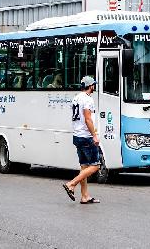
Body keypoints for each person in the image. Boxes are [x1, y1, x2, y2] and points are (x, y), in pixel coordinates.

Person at [63, 76, 101, 204]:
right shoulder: (87, 99)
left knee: (84, 166)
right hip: (86, 137)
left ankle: (85, 196)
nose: (94, 87)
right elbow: (87, 119)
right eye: (93, 85)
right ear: (90, 86)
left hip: (77, 135)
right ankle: (71, 184)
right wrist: (94, 134)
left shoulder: (76, 98)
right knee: (95, 166)